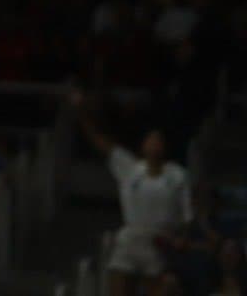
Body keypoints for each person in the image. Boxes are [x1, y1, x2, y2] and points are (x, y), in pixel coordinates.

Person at [71, 92, 191, 296]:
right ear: (143, 146)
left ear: (165, 146)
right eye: (150, 139)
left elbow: (187, 215)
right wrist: (80, 112)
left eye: (158, 140)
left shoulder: (178, 175)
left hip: (159, 241)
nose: (154, 143)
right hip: (130, 239)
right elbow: (100, 141)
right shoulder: (130, 168)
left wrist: (181, 238)